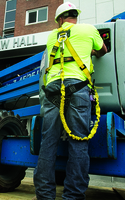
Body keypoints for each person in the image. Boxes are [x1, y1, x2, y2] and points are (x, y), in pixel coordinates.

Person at [33, 2, 107, 200]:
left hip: (52, 90)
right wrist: (91, 51)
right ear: (76, 16)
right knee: (78, 142)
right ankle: (73, 196)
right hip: (78, 88)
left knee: (48, 141)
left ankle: (44, 195)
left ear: (59, 19)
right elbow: (103, 50)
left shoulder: (51, 36)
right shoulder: (89, 30)